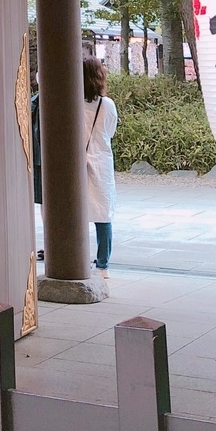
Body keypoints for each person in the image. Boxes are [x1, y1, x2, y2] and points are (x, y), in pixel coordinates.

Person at [84, 57, 118, 276]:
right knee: (102, 213)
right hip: (102, 159)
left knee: (77, 211)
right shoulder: (107, 105)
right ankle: (103, 263)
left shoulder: (73, 102)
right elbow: (111, 130)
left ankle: (76, 257)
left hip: (78, 161)